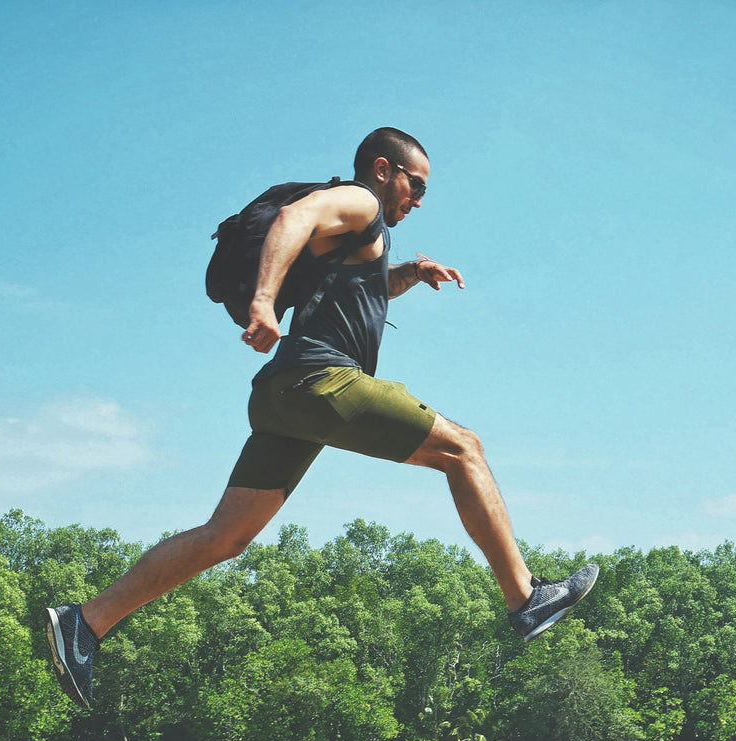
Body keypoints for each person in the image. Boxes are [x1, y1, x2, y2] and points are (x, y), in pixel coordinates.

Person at [46, 128, 597, 708]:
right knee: (463, 448)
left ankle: (86, 623)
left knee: (225, 537)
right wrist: (263, 301)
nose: (418, 201)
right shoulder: (358, 200)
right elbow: (295, 217)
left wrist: (409, 275)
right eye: (416, 187)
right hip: (319, 382)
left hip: (283, 396)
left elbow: (362, 287)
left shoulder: (356, 235)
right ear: (383, 170)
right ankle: (525, 598)